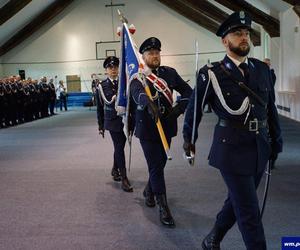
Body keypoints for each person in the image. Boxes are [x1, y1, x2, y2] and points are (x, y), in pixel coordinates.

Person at [182, 11, 283, 250]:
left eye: (246, 33)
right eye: (237, 33)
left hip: (259, 146)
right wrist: (189, 139)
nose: (244, 37)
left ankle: (213, 237)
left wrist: (276, 141)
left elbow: (271, 109)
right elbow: (194, 109)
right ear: (225, 41)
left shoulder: (262, 70)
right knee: (249, 211)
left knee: (236, 202)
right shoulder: (212, 74)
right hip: (231, 150)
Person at [130, 37, 192, 227]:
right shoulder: (138, 75)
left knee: (161, 163)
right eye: (150, 53)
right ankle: (163, 207)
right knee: (156, 165)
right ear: (143, 56)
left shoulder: (170, 73)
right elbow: (137, 92)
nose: (155, 56)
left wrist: (178, 110)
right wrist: (147, 103)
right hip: (148, 128)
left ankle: (149, 191)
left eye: (157, 52)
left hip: (166, 126)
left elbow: (189, 92)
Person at [95, 56, 133, 192]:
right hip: (112, 121)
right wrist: (100, 126)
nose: (114, 70)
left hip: (125, 120)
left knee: (120, 146)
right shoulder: (101, 86)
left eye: (116, 67)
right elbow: (100, 108)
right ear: (106, 70)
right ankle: (124, 178)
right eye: (110, 68)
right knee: (119, 147)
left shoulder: (125, 83)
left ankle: (114, 169)